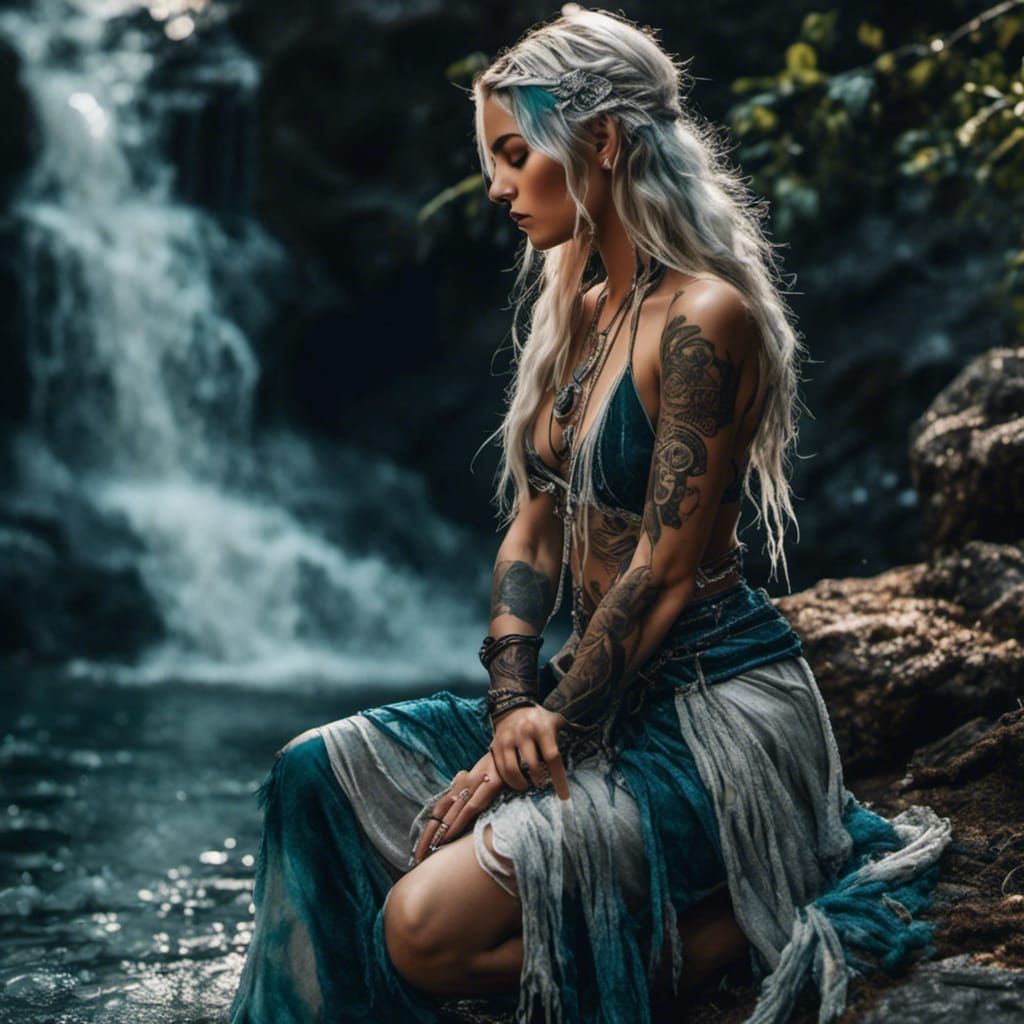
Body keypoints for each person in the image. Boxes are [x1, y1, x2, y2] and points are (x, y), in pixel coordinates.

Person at [228, 8, 952, 1024]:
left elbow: (658, 568)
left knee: (421, 932)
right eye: (492, 159)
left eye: (516, 154)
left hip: (713, 712)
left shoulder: (706, 319)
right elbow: (532, 523)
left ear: (600, 141)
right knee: (310, 775)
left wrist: (542, 729)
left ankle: (739, 927)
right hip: (587, 690)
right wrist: (510, 698)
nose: (495, 185)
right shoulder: (575, 313)